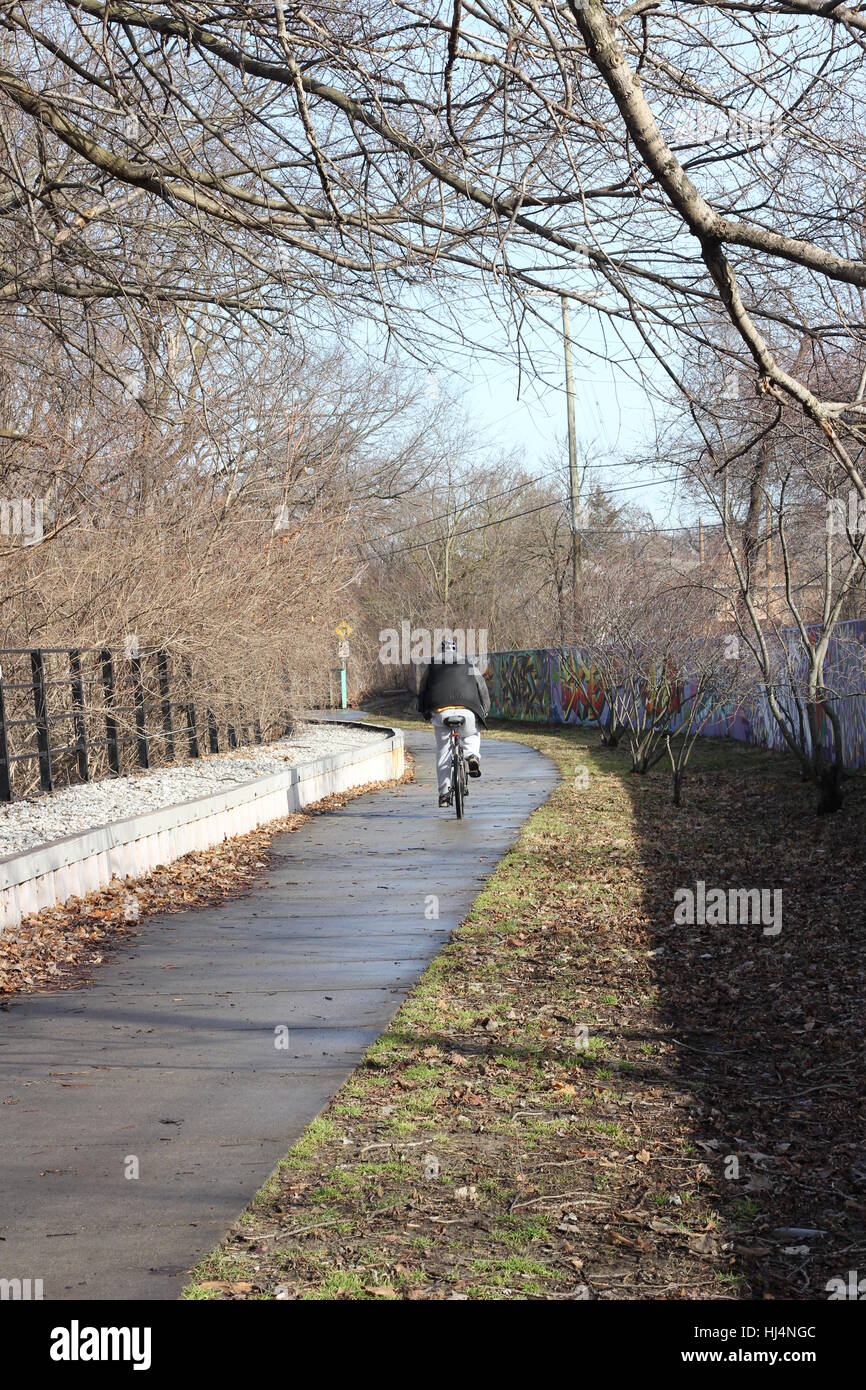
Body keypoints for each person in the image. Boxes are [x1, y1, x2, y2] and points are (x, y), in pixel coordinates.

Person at [417, 638, 491, 806]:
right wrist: (485, 710)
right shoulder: (468, 663)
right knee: (472, 733)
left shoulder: (433, 665)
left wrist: (424, 712)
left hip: (442, 711)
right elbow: (482, 687)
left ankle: (444, 795)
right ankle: (471, 755)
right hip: (468, 709)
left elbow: (423, 689)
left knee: (443, 751)